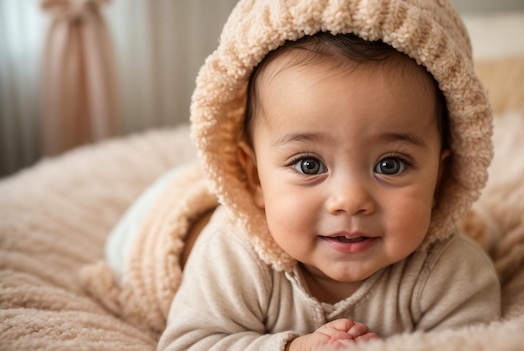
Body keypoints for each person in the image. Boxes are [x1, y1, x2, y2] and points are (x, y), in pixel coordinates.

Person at [109, 1, 501, 350]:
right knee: (157, 226)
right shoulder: (232, 256)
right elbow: (189, 343)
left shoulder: (452, 272)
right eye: (309, 165)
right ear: (256, 177)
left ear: (441, 176)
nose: (349, 199)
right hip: (166, 216)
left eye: (390, 165)